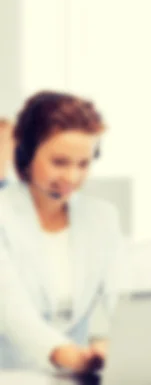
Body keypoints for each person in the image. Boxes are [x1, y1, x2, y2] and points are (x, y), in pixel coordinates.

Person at [0, 91, 125, 373]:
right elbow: (11, 312)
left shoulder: (103, 217)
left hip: (76, 377)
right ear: (26, 154)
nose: (72, 177)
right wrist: (67, 355)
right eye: (59, 162)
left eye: (83, 164)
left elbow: (123, 299)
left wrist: (118, 345)